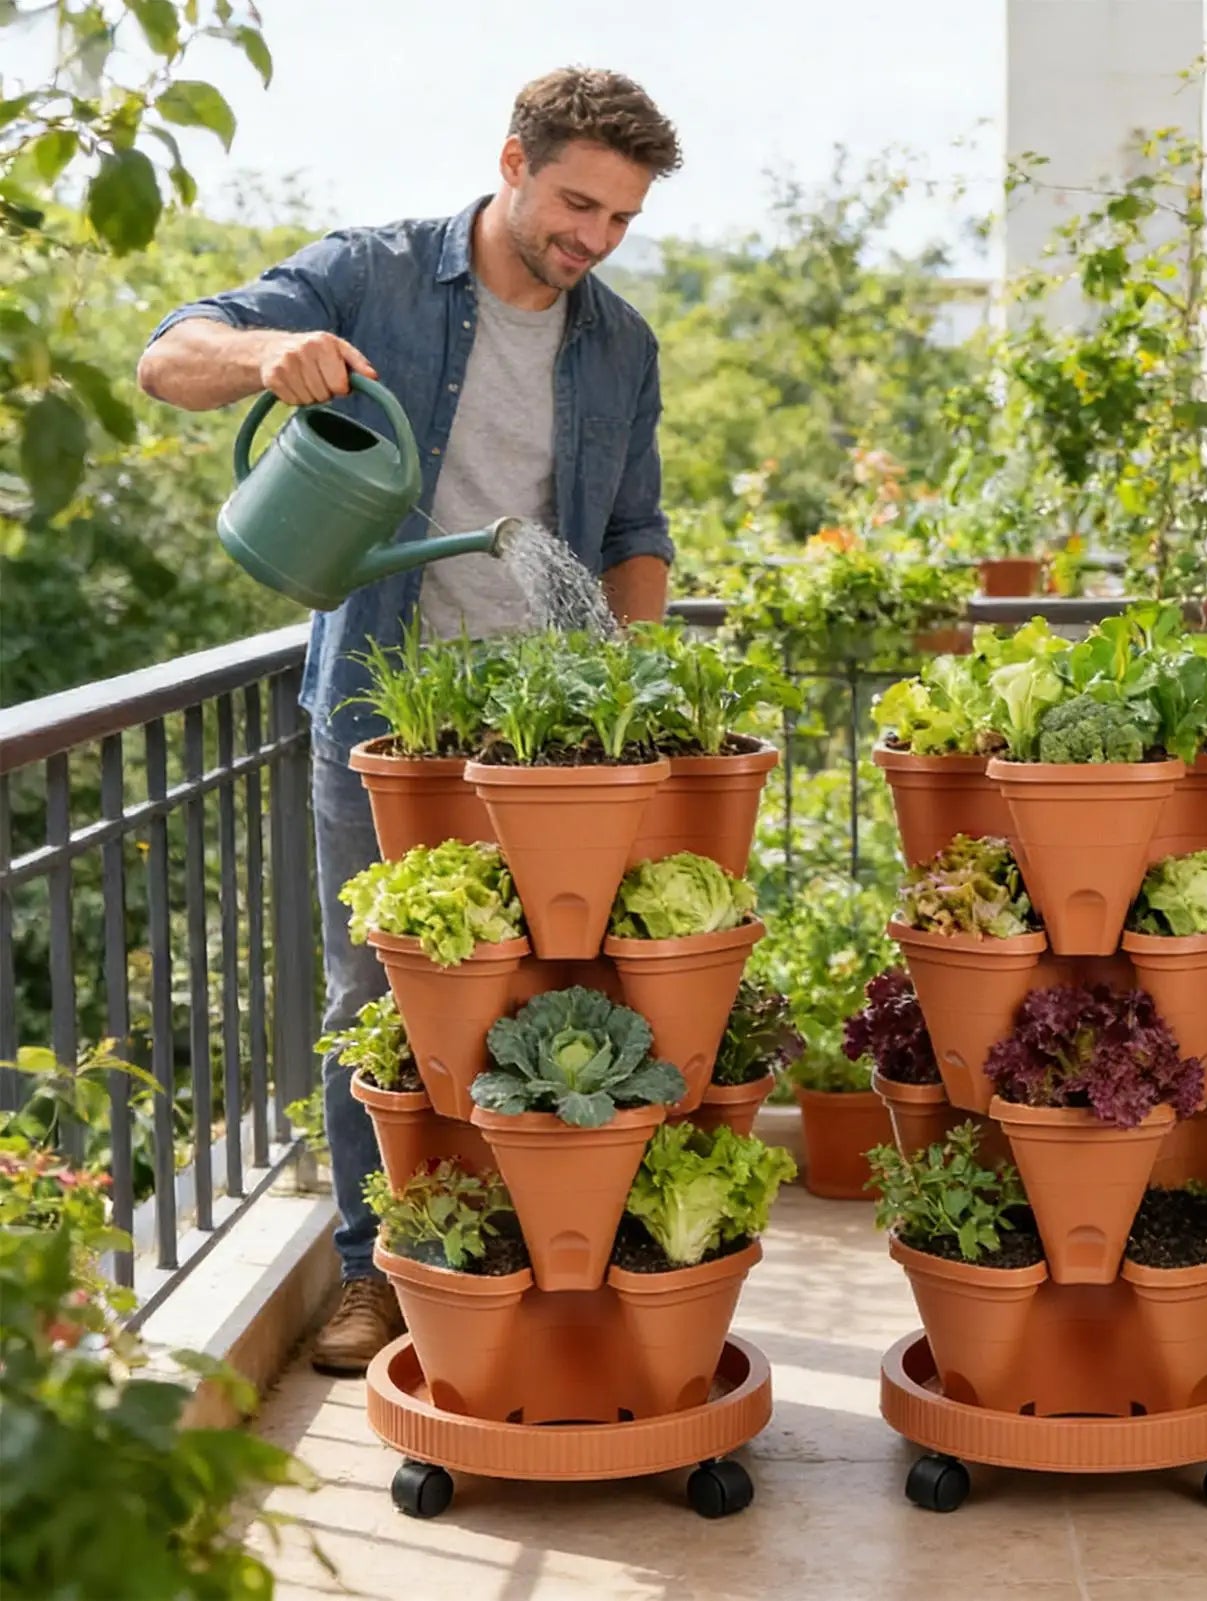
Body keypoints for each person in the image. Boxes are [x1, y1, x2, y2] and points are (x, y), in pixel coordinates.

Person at [137, 68, 680, 1374]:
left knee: (558, 982)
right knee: (374, 990)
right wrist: (270, 352)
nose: (593, 241)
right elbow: (168, 356)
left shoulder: (619, 345)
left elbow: (632, 537)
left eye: (619, 219)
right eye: (576, 204)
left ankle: (542, 1248)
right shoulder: (373, 277)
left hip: (547, 731)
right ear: (511, 160)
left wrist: (636, 688)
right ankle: (374, 1270)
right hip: (383, 708)